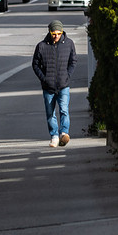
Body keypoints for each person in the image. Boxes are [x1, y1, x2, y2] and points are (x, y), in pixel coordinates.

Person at [32, 18, 76, 147]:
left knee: (64, 110)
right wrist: (43, 78)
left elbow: (73, 61)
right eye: (54, 34)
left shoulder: (69, 43)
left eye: (59, 33)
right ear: (49, 33)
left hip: (63, 85)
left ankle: (64, 133)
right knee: (50, 113)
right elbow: (35, 65)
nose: (56, 36)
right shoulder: (41, 46)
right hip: (48, 86)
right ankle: (54, 136)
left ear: (62, 32)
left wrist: (67, 75)